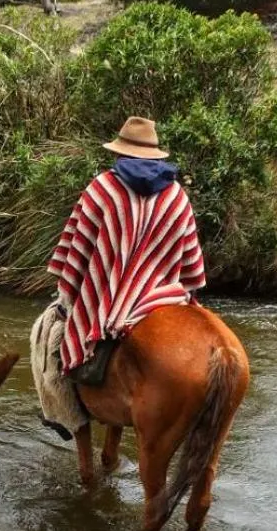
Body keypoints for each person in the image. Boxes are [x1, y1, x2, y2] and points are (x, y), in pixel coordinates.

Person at [48, 117, 206, 383]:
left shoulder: (102, 188)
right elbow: (190, 261)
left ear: (120, 151)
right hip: (162, 297)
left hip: (106, 303)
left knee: (56, 343)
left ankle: (70, 408)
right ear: (155, 155)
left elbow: (76, 248)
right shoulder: (177, 195)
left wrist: (74, 295)